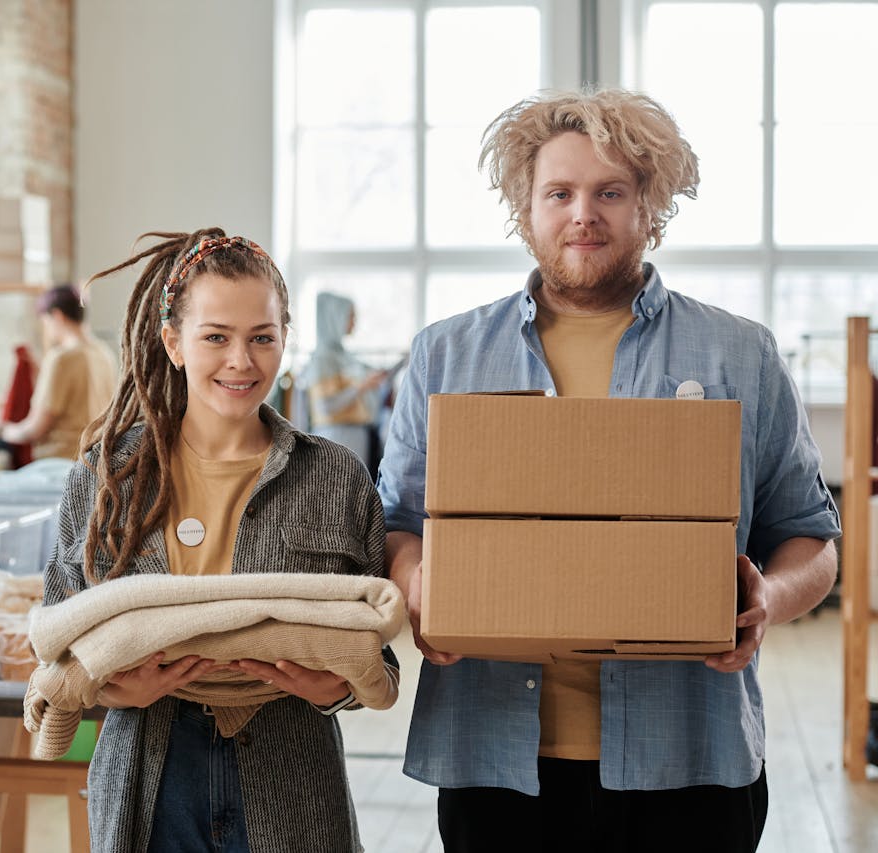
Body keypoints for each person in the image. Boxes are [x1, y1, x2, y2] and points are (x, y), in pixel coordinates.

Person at [377, 89, 841, 852]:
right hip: (498, 757)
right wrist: (418, 581)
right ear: (525, 209)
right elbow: (398, 518)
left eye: (610, 192)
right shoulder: (447, 355)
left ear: (649, 208)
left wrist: (769, 600)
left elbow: (812, 538)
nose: (582, 214)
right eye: (559, 193)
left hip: (688, 757)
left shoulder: (738, 355)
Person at [42, 229, 388, 851]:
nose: (241, 361)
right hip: (152, 765)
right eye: (215, 338)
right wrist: (114, 688)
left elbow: (374, 650)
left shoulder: (336, 477)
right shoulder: (109, 474)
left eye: (262, 337)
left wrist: (334, 690)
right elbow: (59, 629)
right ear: (173, 343)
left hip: (290, 772)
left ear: (285, 339)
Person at [0, 283, 117, 460]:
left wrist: (7, 432)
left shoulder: (61, 359)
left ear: (57, 316)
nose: (46, 328)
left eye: (45, 322)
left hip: (62, 463)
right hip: (96, 460)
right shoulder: (104, 354)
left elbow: (36, 427)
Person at [300, 291, 388, 477]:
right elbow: (325, 406)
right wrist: (362, 387)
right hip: (337, 437)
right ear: (335, 317)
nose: (354, 322)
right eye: (350, 316)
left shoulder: (344, 357)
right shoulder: (323, 359)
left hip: (355, 436)